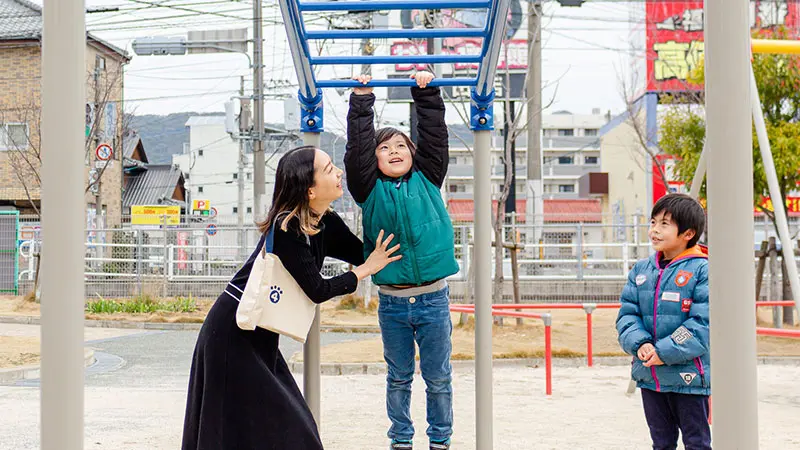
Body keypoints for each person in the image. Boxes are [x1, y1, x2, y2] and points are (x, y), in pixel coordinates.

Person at [182, 146, 401, 450]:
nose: (338, 172)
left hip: (260, 335)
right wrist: (363, 271)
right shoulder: (287, 226)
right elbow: (318, 290)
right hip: (234, 333)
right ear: (310, 190)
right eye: (328, 169)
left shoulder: (325, 220)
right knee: (269, 427)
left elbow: (364, 252)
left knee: (283, 427)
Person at [345, 71, 458, 450]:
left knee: (439, 377)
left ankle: (440, 440)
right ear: (374, 160)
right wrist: (362, 99)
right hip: (392, 302)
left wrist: (425, 94)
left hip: (433, 299)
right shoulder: (369, 191)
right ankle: (401, 440)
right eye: (384, 148)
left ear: (412, 153)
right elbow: (357, 148)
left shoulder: (429, 177)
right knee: (398, 376)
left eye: (400, 146)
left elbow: (434, 135)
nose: (394, 152)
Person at [616, 193, 711, 450]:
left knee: (697, 443)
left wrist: (663, 351)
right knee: (661, 443)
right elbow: (627, 315)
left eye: (664, 224)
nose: (654, 230)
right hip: (650, 374)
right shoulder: (641, 270)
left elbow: (703, 324)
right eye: (653, 222)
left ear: (688, 233)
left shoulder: (703, 269)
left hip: (690, 377)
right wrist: (641, 344)